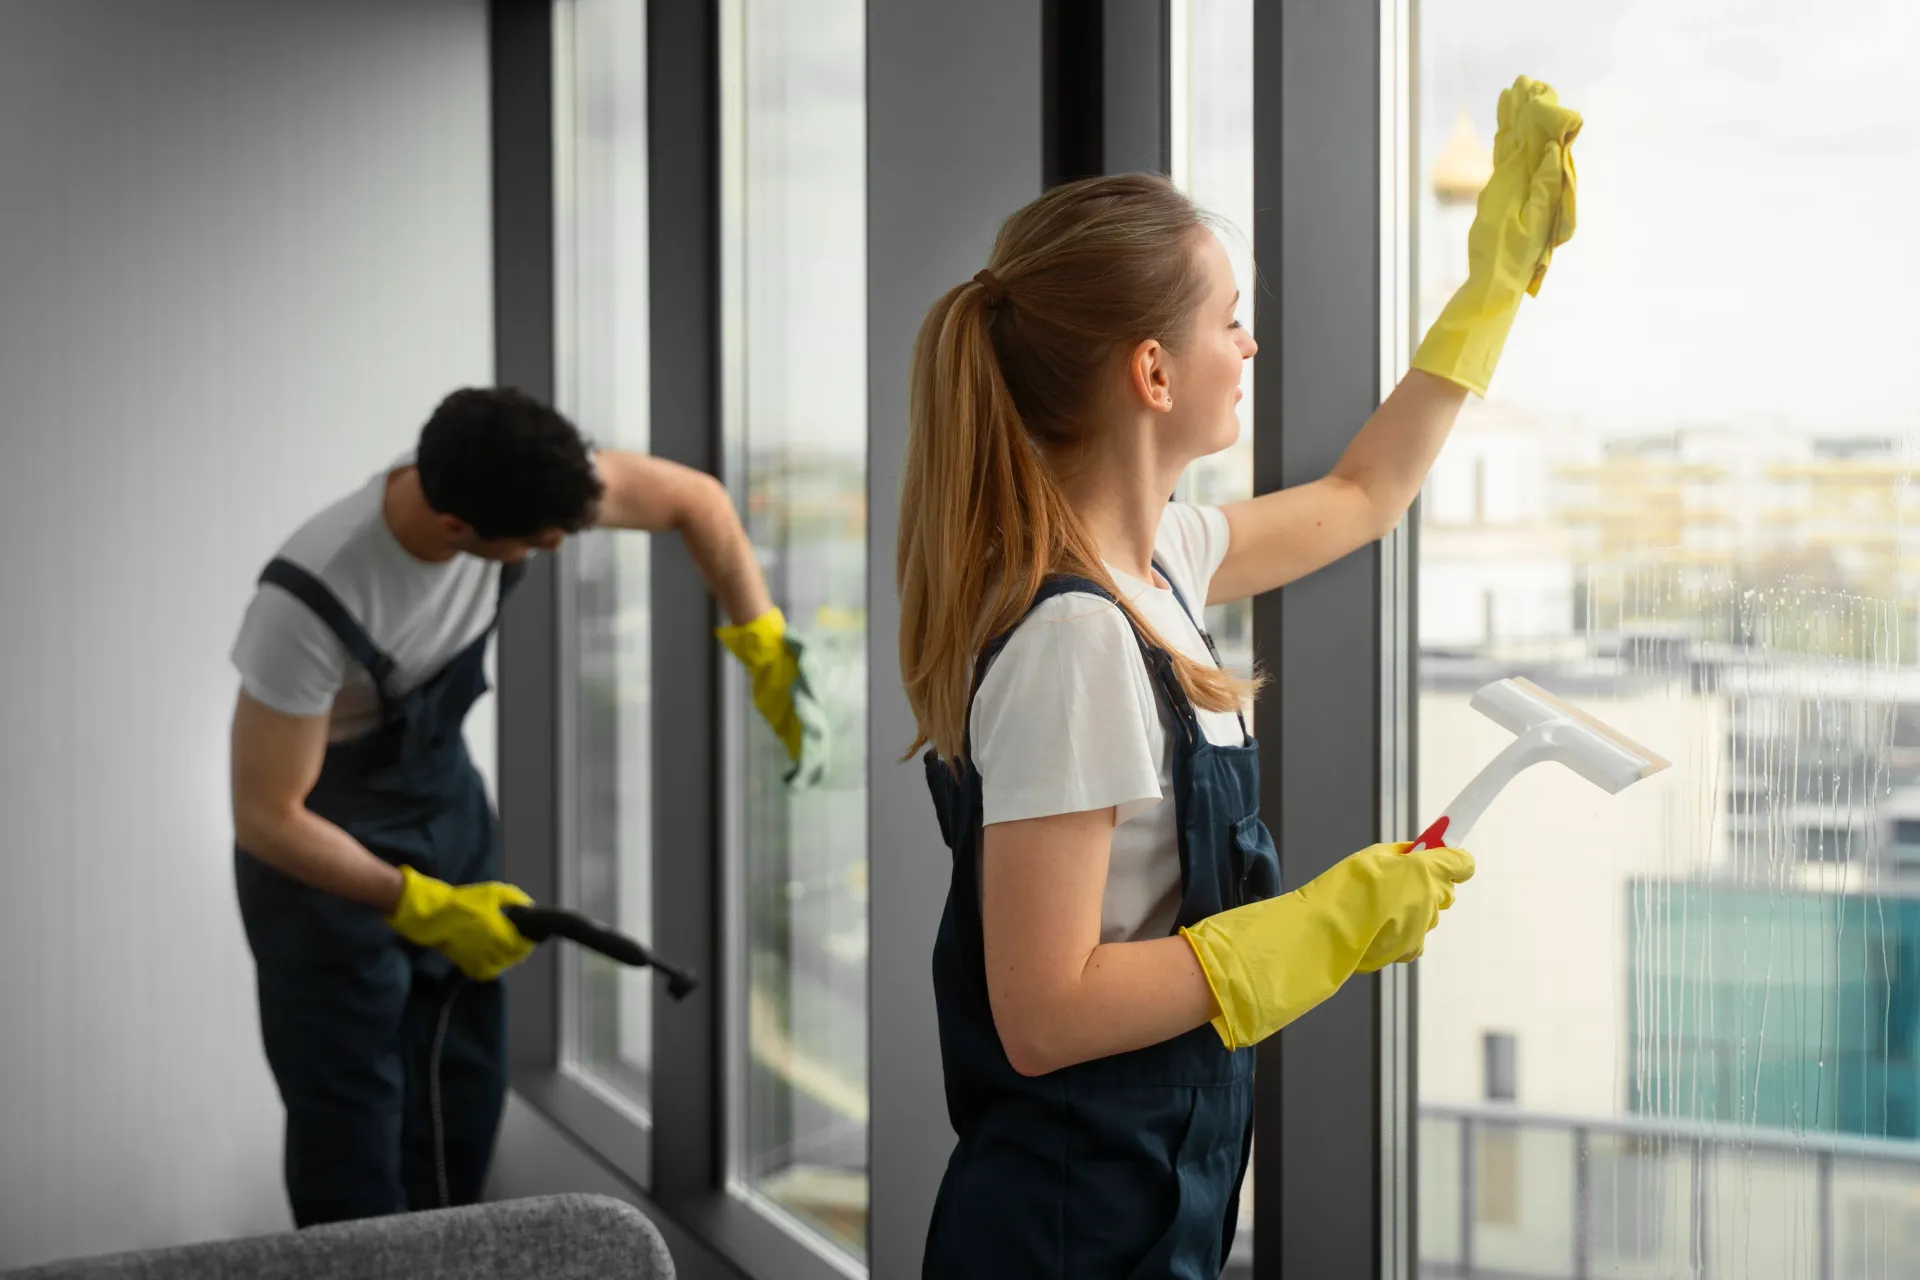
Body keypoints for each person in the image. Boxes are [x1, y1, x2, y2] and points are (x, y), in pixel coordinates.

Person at [900, 77, 1579, 1276]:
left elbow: (1365, 495)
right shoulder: (1075, 637)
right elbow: (1044, 1010)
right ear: (1153, 374)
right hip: (1066, 1233)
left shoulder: (1159, 556)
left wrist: (1491, 289)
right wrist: (1321, 925)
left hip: (1154, 1201)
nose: (1251, 344)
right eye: (1231, 320)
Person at [228, 386, 825, 1226]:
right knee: (352, 1140)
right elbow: (265, 815)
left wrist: (761, 641)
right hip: (321, 859)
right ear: (456, 533)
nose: (557, 545)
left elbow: (696, 500)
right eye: (541, 542)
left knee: (459, 1103)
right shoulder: (311, 598)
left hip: (445, 807)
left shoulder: (524, 477)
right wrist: (419, 903)